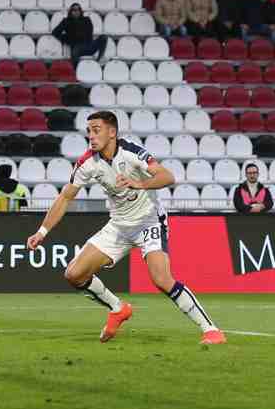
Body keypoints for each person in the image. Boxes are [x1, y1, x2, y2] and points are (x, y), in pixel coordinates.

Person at [27, 111, 226, 345]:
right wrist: (42, 232)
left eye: (96, 130)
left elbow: (167, 176)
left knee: (161, 279)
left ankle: (211, 330)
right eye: (89, 131)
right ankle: (118, 308)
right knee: (74, 274)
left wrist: (139, 183)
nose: (91, 136)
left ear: (112, 132)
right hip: (119, 225)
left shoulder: (132, 152)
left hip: (148, 221)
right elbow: (65, 197)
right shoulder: (87, 162)